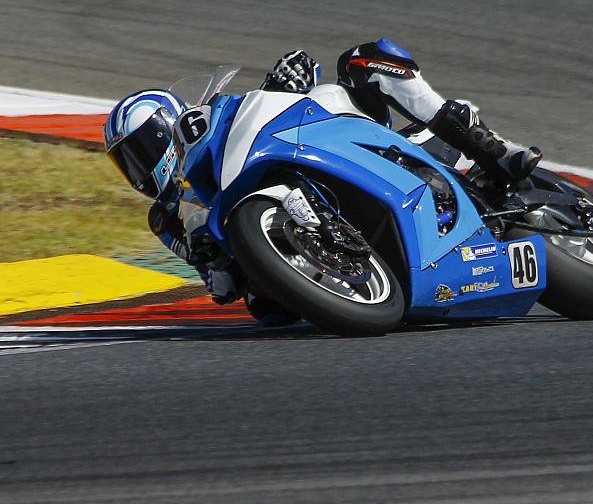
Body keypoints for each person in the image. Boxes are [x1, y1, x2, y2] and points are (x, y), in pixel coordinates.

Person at [104, 40, 542, 313]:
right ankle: (351, 265)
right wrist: (209, 259)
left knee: (363, 58)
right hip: (291, 258)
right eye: (128, 163)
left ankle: (490, 147)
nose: (138, 170)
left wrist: (287, 82)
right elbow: (220, 290)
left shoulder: (218, 124)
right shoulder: (167, 219)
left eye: (140, 152)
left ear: (166, 126)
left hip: (353, 140)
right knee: (264, 310)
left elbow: (270, 110)